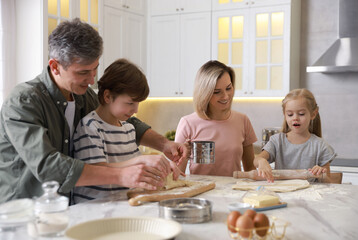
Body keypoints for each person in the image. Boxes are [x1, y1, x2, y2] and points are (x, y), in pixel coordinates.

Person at [0, 18, 188, 204]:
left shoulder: (84, 95)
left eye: (94, 70)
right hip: (22, 212)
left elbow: (124, 121)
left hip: (65, 209)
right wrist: (121, 175)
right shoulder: (23, 101)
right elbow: (48, 166)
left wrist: (164, 144)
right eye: (82, 72)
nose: (91, 80)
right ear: (55, 66)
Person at [72, 59, 184, 203]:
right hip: (95, 209)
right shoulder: (90, 127)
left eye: (137, 103)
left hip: (122, 206)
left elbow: (137, 171)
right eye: (130, 103)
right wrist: (141, 160)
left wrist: (163, 167)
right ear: (107, 96)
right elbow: (96, 169)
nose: (136, 110)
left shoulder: (128, 129)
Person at [175, 60, 257, 176]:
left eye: (229, 88)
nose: (225, 96)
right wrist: (185, 155)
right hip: (200, 192)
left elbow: (250, 169)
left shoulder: (242, 121)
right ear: (205, 93)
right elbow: (176, 175)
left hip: (233, 192)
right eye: (217, 92)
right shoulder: (188, 123)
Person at [254, 88, 337, 182]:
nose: (295, 118)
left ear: (313, 114)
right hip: (282, 195)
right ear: (285, 115)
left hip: (309, 196)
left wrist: (322, 175)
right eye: (290, 114)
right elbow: (257, 160)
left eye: (301, 114)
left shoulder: (320, 146)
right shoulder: (277, 141)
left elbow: (329, 184)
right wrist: (261, 161)